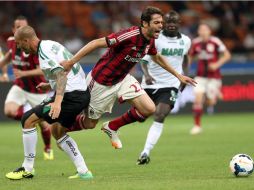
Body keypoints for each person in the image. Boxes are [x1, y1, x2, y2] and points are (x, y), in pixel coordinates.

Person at [63, 6, 196, 149]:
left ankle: (112, 126)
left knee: (149, 108)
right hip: (101, 81)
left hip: (122, 79)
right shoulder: (130, 35)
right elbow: (95, 43)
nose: (161, 26)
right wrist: (71, 62)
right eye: (157, 23)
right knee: (89, 124)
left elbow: (156, 56)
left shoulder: (150, 39)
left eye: (161, 23)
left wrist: (178, 75)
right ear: (145, 23)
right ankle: (61, 129)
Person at [6, 25, 93, 180]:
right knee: (58, 132)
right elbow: (65, 70)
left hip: (70, 96)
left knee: (28, 119)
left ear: (26, 40)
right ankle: (84, 171)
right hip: (80, 93)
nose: (18, 47)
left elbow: (61, 76)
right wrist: (49, 84)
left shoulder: (43, 53)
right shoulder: (50, 44)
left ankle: (27, 168)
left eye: (19, 44)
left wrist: (57, 102)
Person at [136, 10, 191, 165]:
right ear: (164, 23)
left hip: (171, 85)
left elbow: (186, 57)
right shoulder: (156, 38)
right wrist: (146, 75)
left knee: (160, 115)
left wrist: (184, 76)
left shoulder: (186, 41)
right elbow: (144, 59)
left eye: (175, 22)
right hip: (150, 83)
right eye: (169, 22)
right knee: (140, 115)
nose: (172, 25)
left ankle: (145, 152)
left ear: (179, 23)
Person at [0, 16, 53, 160]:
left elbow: (42, 70)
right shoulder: (12, 43)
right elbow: (6, 59)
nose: (21, 30)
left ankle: (48, 147)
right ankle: (30, 120)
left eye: (24, 27)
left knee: (45, 125)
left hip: (37, 89)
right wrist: (4, 72)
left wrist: (23, 73)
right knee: (9, 111)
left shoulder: (33, 47)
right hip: (20, 87)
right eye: (18, 27)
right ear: (13, 30)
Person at [189, 23, 231, 135]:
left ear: (209, 31)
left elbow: (227, 55)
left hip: (214, 77)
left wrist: (217, 64)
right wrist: (185, 68)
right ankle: (197, 126)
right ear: (198, 32)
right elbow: (190, 56)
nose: (203, 32)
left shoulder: (215, 41)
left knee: (210, 102)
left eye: (205, 29)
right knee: (197, 100)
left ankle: (215, 93)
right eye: (201, 29)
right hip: (200, 76)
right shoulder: (195, 43)